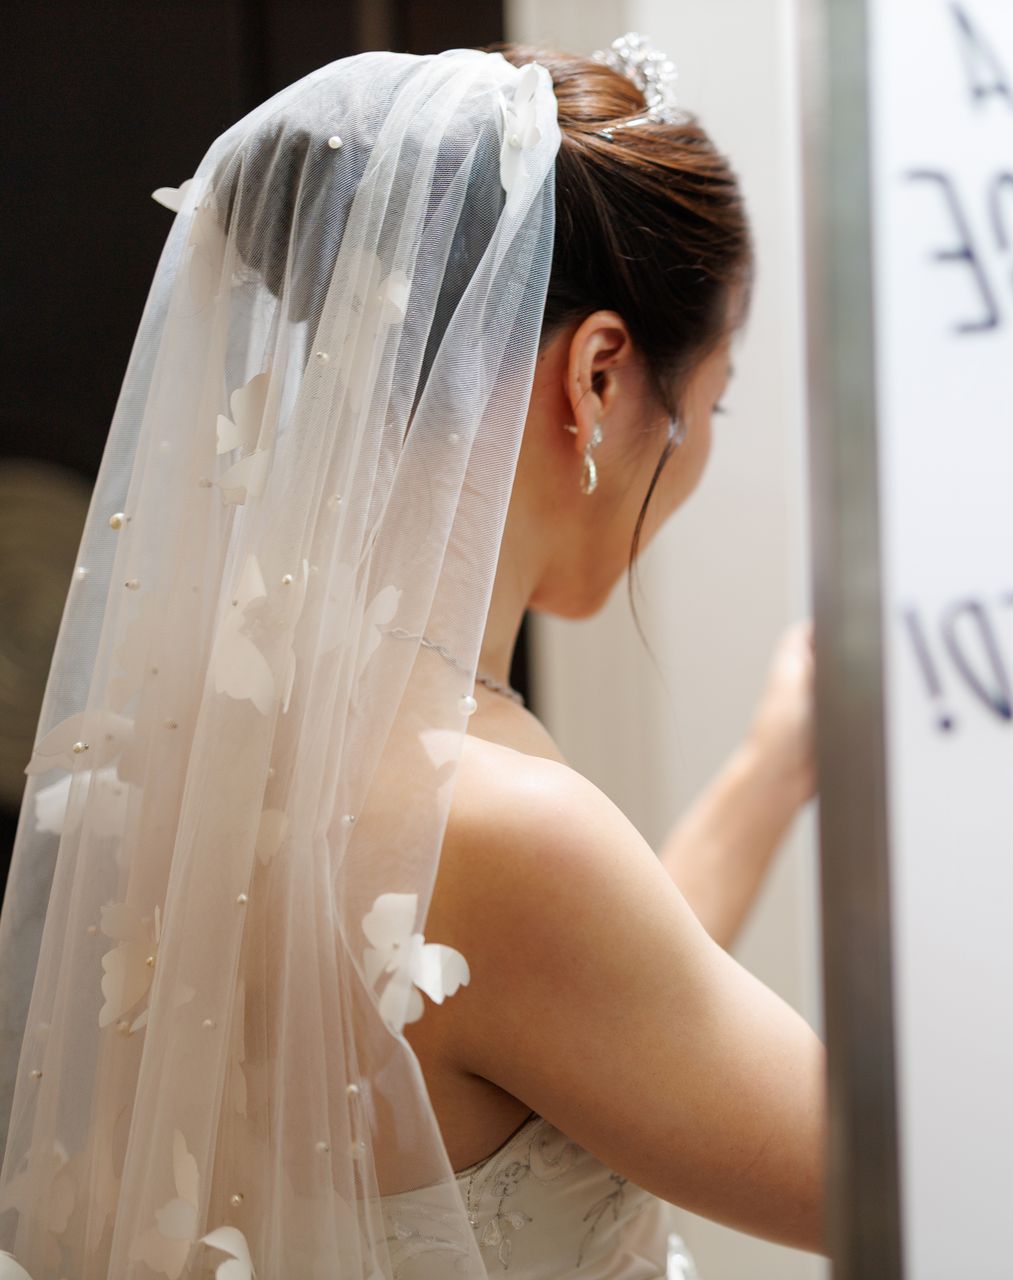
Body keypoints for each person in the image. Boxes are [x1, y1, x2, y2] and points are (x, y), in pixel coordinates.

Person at [0, 37, 824, 1280]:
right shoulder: (500, 830)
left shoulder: (192, 754)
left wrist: (773, 767)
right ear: (599, 376)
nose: (703, 443)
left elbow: (578, 1020)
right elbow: (909, 1170)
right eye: (715, 395)